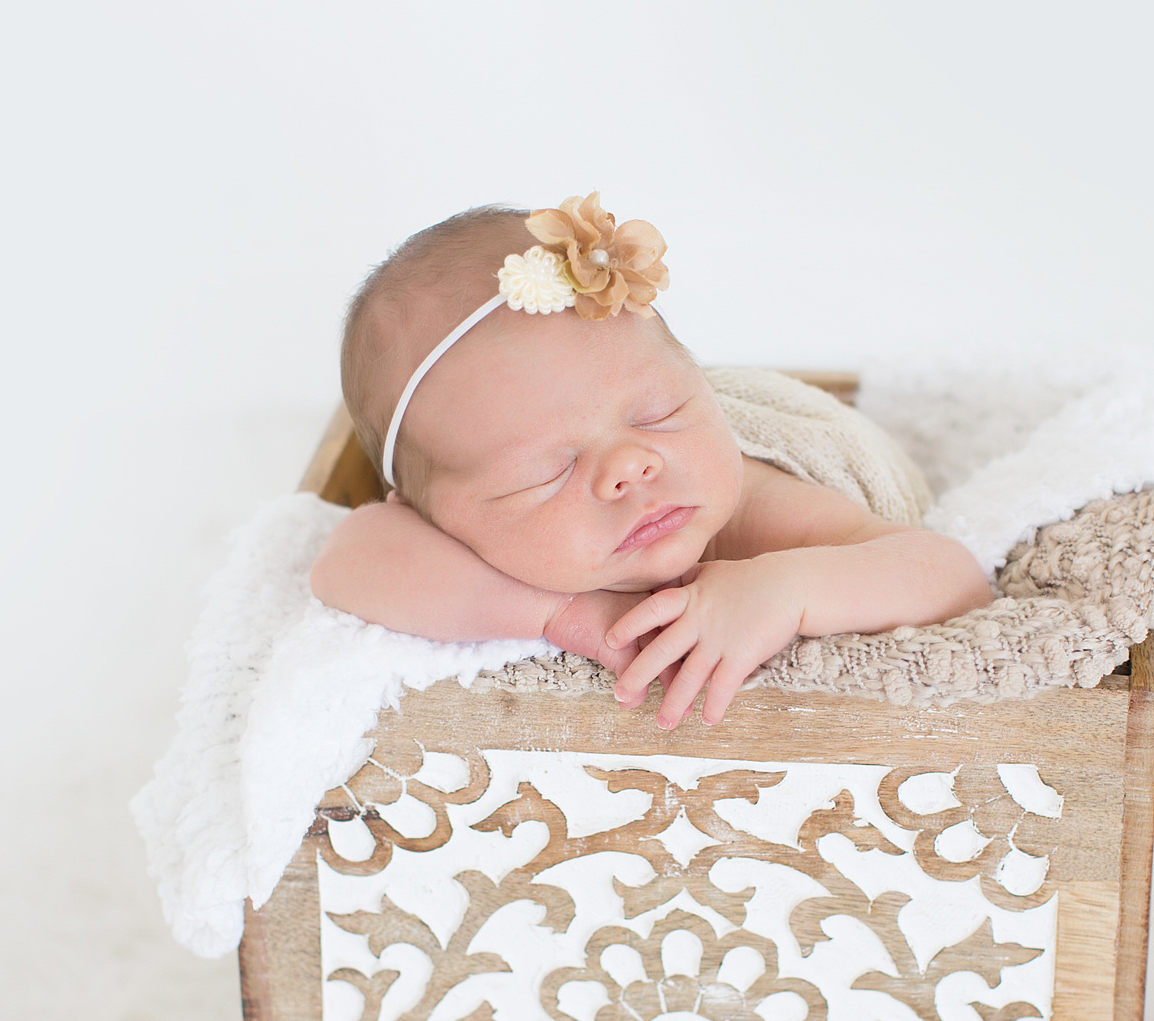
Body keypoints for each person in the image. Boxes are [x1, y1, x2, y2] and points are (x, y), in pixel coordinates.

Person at [311, 194, 992, 729]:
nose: (631, 466)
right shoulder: (450, 532)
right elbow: (345, 560)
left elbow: (950, 576)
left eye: (658, 413)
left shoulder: (752, 506)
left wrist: (786, 589)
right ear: (433, 515)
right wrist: (564, 614)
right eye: (547, 471)